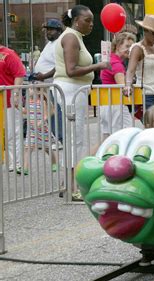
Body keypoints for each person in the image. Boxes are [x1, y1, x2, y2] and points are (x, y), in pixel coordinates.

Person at [54, 4, 111, 200]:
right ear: (76, 21)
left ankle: (67, 184)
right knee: (74, 139)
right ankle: (71, 188)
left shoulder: (74, 36)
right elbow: (71, 70)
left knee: (74, 138)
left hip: (74, 90)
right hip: (70, 90)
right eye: (87, 21)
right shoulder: (70, 37)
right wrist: (99, 65)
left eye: (92, 21)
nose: (91, 25)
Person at [99, 32, 136, 141]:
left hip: (105, 104)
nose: (130, 50)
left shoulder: (110, 59)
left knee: (106, 140)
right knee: (125, 136)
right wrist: (130, 84)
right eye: (127, 46)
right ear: (118, 46)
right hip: (116, 105)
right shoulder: (117, 64)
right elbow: (124, 88)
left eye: (132, 47)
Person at [33, 19, 64, 147]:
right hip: (45, 84)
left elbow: (59, 65)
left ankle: (60, 138)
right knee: (48, 112)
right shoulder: (50, 44)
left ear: (59, 31)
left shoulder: (59, 44)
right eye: (47, 29)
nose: (48, 32)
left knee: (55, 112)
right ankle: (52, 137)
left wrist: (44, 75)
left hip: (53, 84)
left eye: (51, 29)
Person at [20, 88, 58, 175]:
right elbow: (25, 111)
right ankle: (25, 168)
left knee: (47, 148)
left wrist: (40, 122)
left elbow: (45, 115)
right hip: (32, 130)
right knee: (28, 148)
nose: (29, 90)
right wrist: (18, 106)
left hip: (42, 129)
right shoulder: (28, 101)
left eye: (31, 89)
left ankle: (54, 163)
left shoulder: (42, 102)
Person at [0, 43, 25, 172]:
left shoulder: (8, 54)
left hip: (8, 100)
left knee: (12, 132)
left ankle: (16, 162)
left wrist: (15, 94)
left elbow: (19, 74)